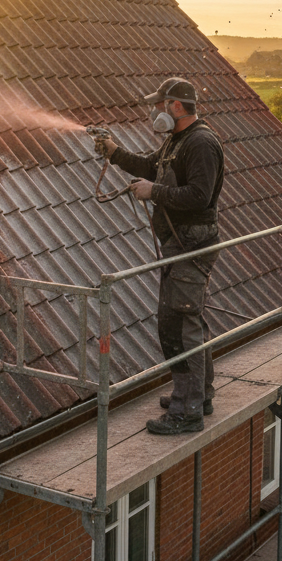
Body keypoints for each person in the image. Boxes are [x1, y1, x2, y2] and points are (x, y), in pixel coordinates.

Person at [94, 78, 225, 434]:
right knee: (187, 319)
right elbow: (151, 167)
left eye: (158, 105)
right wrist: (114, 152)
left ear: (175, 106)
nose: (154, 112)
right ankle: (199, 394)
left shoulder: (201, 143)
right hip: (180, 243)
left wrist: (154, 192)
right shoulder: (177, 140)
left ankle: (187, 411)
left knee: (179, 325)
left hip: (191, 244)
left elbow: (199, 196)